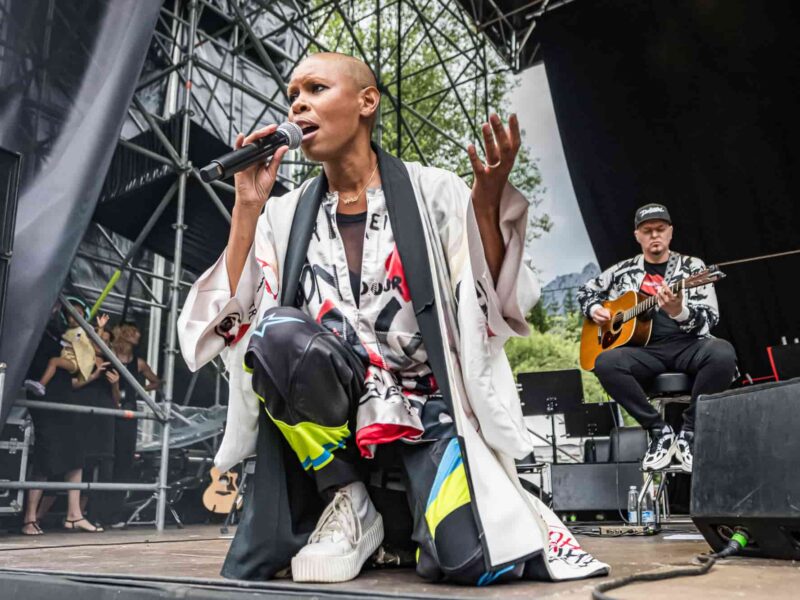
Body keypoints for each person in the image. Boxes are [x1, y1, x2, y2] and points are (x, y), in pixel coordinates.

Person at [179, 52, 608, 585]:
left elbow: (494, 305)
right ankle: (346, 499)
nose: (298, 104)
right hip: (334, 413)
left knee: (472, 561)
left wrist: (489, 202)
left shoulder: (435, 191)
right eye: (293, 95)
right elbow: (230, 321)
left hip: (424, 412)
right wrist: (247, 206)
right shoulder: (283, 215)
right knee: (278, 335)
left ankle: (407, 524)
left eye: (315, 88)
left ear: (366, 102)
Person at [577, 203, 737, 473]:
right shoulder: (621, 271)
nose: (654, 236)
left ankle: (689, 433)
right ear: (637, 236)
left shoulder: (692, 268)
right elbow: (585, 291)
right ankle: (659, 431)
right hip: (645, 352)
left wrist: (679, 311)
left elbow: (710, 319)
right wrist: (595, 309)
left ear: (670, 233)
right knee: (605, 362)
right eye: (647, 230)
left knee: (722, 353)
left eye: (660, 229)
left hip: (689, 345)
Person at [22, 304, 106, 535]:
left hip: (66, 397)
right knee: (46, 454)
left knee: (76, 453)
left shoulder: (67, 335)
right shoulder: (35, 331)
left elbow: (79, 371)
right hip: (43, 397)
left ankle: (74, 514)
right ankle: (29, 518)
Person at [108, 321, 161, 526]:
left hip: (128, 409)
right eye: (132, 331)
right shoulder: (109, 353)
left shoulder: (137, 362)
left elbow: (157, 381)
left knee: (124, 460)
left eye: (137, 331)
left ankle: (115, 512)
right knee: (105, 460)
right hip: (110, 407)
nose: (136, 335)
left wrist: (140, 390)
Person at [23, 310, 109, 397]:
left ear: (84, 316)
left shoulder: (84, 330)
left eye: (79, 313)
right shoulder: (68, 331)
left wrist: (101, 327)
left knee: (54, 361)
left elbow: (96, 339)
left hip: (74, 361)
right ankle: (40, 384)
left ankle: (41, 384)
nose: (75, 317)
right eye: (71, 315)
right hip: (66, 356)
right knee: (53, 360)